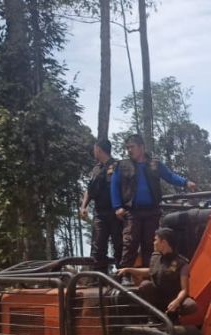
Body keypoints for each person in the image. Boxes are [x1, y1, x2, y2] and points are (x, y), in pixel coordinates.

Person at [110, 133, 197, 270]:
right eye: (127, 147)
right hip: (132, 211)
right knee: (130, 243)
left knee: (150, 244)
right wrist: (117, 207)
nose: (129, 150)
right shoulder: (122, 166)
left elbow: (170, 176)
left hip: (152, 211)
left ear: (141, 147)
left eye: (132, 147)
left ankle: (149, 275)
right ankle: (123, 275)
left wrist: (185, 182)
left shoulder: (155, 164)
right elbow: (114, 185)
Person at [116, 227, 197, 316]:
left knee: (190, 305)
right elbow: (150, 271)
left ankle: (173, 316)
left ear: (164, 242)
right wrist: (129, 269)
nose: (154, 243)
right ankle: (152, 316)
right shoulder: (155, 257)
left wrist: (177, 301)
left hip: (173, 296)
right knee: (145, 285)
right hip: (158, 295)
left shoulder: (182, 263)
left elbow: (184, 290)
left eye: (156, 240)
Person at [80, 138, 120, 272]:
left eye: (94, 149)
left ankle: (121, 278)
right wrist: (83, 206)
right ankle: (100, 279)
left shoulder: (117, 166)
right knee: (98, 247)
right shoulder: (96, 169)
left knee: (118, 246)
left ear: (98, 149)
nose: (93, 151)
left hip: (115, 213)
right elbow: (89, 189)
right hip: (100, 213)